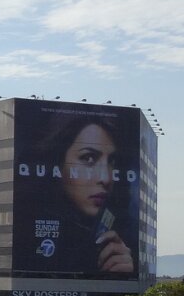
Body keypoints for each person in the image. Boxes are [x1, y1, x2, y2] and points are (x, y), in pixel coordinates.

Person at [15, 112, 137, 277]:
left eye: (112, 162)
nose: (106, 178)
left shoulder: (119, 240)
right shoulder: (22, 238)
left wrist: (122, 277)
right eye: (88, 158)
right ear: (57, 162)